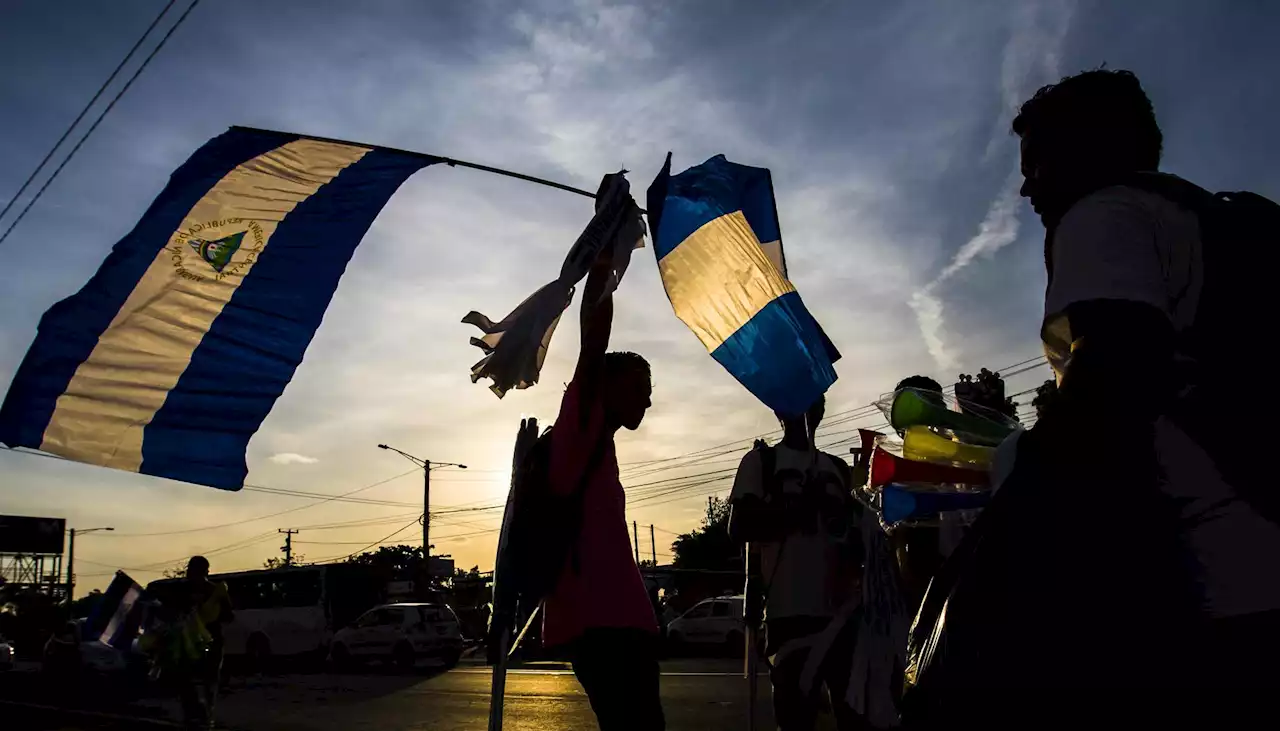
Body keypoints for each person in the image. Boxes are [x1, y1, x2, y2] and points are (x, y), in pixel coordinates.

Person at [1017, 68, 1280, 687]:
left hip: (1217, 573)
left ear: (1087, 150)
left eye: (1038, 164)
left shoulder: (1104, 214)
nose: (1027, 188)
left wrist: (1025, 493)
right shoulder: (1218, 220)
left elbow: (1112, 370)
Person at [541, 246, 664, 731]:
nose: (648, 400)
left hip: (623, 620)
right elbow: (592, 340)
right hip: (599, 621)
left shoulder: (602, 447)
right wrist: (603, 262)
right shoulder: (580, 427)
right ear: (606, 386)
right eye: (639, 387)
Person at [729, 396, 866, 731]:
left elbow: (854, 538)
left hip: (842, 612)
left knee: (855, 715)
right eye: (800, 395)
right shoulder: (762, 461)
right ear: (780, 409)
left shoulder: (836, 467)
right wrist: (796, 509)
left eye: (816, 397)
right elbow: (739, 526)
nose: (810, 404)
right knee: (796, 716)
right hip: (789, 612)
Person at [174, 555, 233, 730]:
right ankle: (202, 715)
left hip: (202, 641)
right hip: (196, 641)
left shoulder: (211, 591)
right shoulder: (212, 590)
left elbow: (228, 615)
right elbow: (229, 616)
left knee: (198, 680)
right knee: (201, 680)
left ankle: (200, 715)